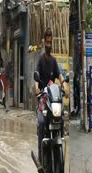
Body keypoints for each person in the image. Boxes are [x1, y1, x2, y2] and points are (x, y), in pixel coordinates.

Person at [35, 28, 66, 163]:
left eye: (50, 42)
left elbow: (59, 75)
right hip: (43, 99)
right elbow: (36, 79)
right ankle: (41, 158)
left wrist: (64, 84)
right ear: (44, 43)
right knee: (42, 123)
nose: (48, 45)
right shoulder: (41, 61)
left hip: (53, 99)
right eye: (47, 42)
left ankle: (60, 141)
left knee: (62, 119)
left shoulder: (53, 61)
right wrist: (36, 88)